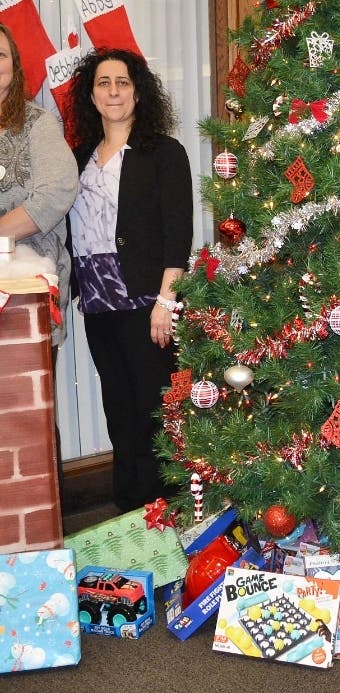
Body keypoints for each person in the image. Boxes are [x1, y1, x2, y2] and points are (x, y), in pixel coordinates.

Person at [67, 49, 193, 511]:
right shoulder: (78, 158)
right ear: (91, 94)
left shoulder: (162, 152)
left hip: (146, 300)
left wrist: (168, 302)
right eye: (103, 83)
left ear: (138, 91)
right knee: (119, 411)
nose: (113, 91)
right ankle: (130, 513)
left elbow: (178, 230)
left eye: (122, 82)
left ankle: (171, 515)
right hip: (97, 302)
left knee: (155, 413)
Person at [0, 24, 78, 494]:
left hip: (24, 298)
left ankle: (40, 536)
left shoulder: (36, 124)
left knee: (28, 419)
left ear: (14, 65)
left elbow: (56, 193)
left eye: (1, 56)